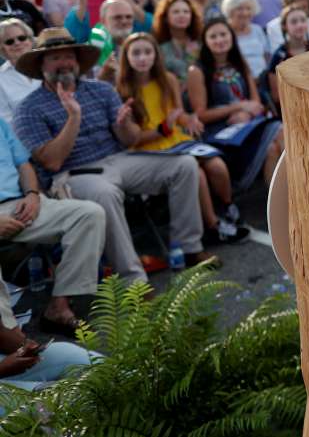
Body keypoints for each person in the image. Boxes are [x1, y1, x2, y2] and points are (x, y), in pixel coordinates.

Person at [11, 27, 213, 284]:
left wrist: (124, 124)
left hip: (118, 159)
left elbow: (129, 140)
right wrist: (73, 117)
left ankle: (190, 248)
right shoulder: (29, 108)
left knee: (184, 165)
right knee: (104, 194)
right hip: (72, 174)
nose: (64, 63)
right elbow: (51, 161)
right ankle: (134, 282)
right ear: (41, 65)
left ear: (77, 60)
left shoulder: (100, 90)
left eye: (69, 56)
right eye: (55, 58)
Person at [115, 32, 247, 246]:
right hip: (149, 147)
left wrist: (189, 121)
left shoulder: (168, 79)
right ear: (126, 57)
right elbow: (134, 138)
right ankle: (213, 226)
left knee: (217, 165)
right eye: (136, 53)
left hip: (176, 138)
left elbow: (177, 113)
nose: (142, 58)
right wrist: (163, 128)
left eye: (147, 52)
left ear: (155, 55)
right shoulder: (122, 89)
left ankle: (227, 208)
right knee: (198, 174)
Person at [0, 115, 105, 337]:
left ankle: (59, 306)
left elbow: (23, 164)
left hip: (18, 204)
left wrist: (32, 195)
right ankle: (8, 335)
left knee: (88, 214)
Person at [187, 18, 283, 190]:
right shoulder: (197, 71)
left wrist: (246, 113)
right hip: (222, 132)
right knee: (280, 130)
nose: (219, 40)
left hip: (248, 124)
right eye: (213, 36)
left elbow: (256, 103)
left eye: (223, 34)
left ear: (231, 37)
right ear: (205, 41)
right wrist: (238, 107)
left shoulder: (239, 64)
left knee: (272, 149)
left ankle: (282, 206)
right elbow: (201, 115)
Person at [267, 5, 309, 112]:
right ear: (284, 26)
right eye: (294, 22)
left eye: (303, 20)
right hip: (294, 108)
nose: (300, 25)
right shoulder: (279, 57)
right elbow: (276, 97)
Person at [221, 0, 271, 79]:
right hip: (237, 80)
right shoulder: (224, 32)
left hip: (263, 79)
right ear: (230, 11)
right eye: (240, 9)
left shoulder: (257, 29)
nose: (245, 13)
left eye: (248, 9)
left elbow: (267, 56)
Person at [153, 0, 202, 83]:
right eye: (176, 12)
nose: (181, 15)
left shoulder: (201, 41)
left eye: (186, 12)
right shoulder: (156, 44)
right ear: (165, 17)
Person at [0, 18, 40, 125]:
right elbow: (5, 121)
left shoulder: (49, 66)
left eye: (22, 38)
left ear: (30, 41)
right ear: (2, 48)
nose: (17, 43)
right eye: (9, 41)